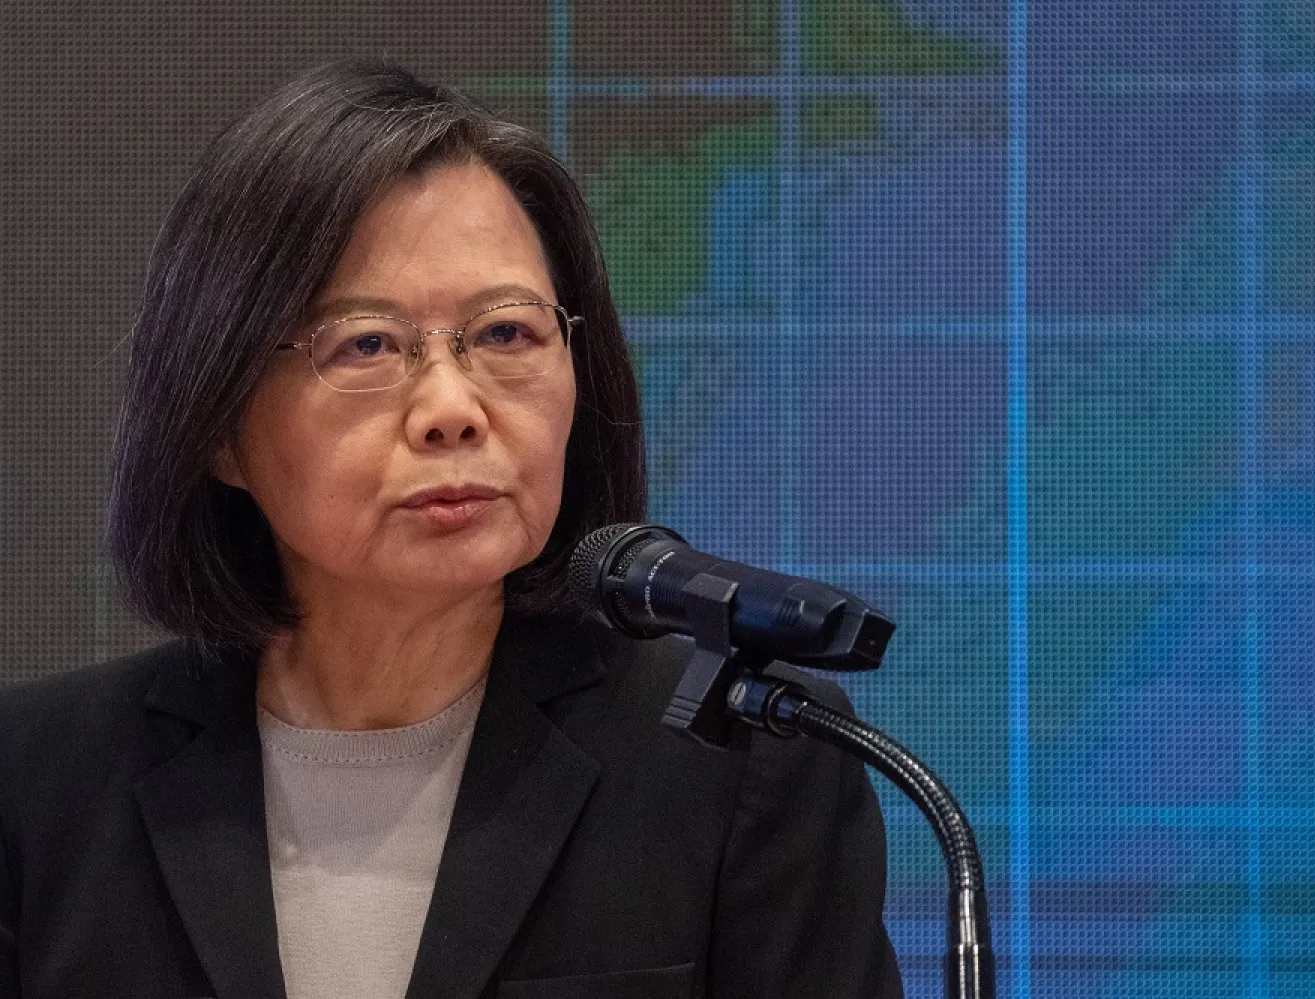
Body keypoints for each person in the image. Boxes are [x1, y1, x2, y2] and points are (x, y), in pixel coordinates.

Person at [0, 61, 902, 998]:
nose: (452, 408)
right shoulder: (37, 787)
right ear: (220, 426)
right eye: (366, 344)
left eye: (507, 333)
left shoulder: (742, 755)